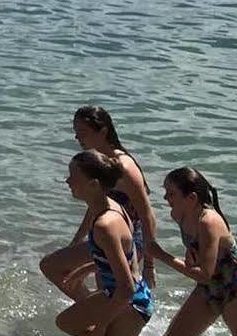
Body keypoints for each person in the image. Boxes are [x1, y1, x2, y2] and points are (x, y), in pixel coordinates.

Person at [54, 150, 159, 336]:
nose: (67, 181)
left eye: (73, 177)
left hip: (129, 304)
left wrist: (100, 327)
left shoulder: (104, 224)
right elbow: (126, 255)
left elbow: (126, 287)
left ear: (94, 184)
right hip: (124, 297)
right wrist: (87, 268)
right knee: (65, 322)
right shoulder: (112, 207)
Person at [40, 105, 160, 300]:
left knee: (51, 265)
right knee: (107, 295)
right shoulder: (98, 162)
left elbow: (148, 215)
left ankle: (93, 316)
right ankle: (98, 318)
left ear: (103, 131)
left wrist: (149, 265)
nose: (77, 138)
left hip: (128, 239)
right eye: (76, 133)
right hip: (106, 235)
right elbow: (95, 207)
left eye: (83, 133)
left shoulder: (125, 167)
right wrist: (76, 241)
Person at [154, 166, 237, 336]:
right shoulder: (179, 216)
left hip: (234, 291)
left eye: (171, 193)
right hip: (207, 290)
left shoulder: (208, 221)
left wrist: (161, 255)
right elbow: (195, 256)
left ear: (192, 198)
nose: (165, 198)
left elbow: (205, 273)